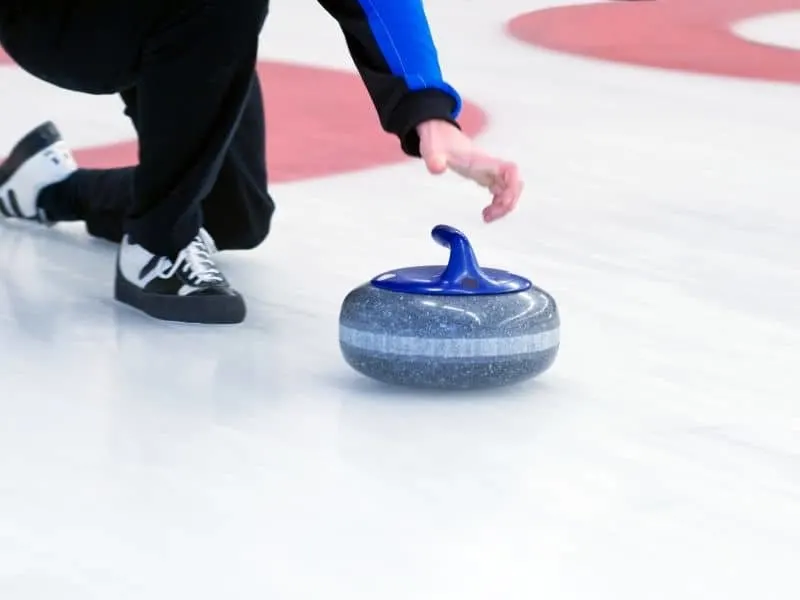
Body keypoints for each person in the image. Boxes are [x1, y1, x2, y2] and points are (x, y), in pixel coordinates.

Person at [0, 0, 523, 324]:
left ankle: (49, 188)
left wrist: (428, 112)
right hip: (56, 17)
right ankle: (157, 248)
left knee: (232, 213)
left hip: (180, 19)